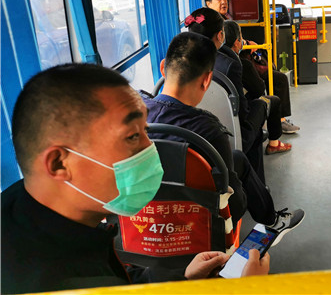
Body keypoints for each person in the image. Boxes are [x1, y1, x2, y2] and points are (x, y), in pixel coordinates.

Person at [1, 63, 269, 294]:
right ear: (59, 163)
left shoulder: (23, 207)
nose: (151, 148)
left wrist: (183, 279)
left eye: (145, 130)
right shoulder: (61, 284)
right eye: (131, 136)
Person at [142, 31, 304, 231]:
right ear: (207, 80)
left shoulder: (135, 114)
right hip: (200, 223)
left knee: (238, 158)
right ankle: (272, 221)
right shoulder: (207, 131)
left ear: (162, 68)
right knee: (237, 160)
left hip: (146, 217)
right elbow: (234, 206)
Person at [185, 7, 267, 182]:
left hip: (192, 130)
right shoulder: (230, 64)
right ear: (220, 36)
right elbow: (241, 112)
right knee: (260, 107)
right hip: (227, 133)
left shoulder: (181, 60)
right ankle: (256, 182)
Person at [206, 0, 300, 134]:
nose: (223, 2)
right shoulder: (214, 25)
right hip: (236, 65)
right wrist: (246, 44)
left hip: (239, 60)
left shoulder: (224, 19)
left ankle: (279, 118)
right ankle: (278, 121)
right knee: (277, 79)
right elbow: (228, 43)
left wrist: (246, 43)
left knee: (274, 74)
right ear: (208, 3)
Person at [224, 20, 292, 154]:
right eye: (241, 38)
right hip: (243, 115)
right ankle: (274, 143)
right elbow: (259, 90)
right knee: (273, 101)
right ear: (237, 42)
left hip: (224, 112)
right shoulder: (242, 64)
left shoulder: (214, 60)